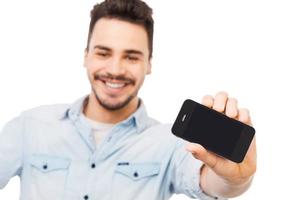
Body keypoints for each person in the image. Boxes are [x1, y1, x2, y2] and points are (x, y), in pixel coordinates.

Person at [0, 0, 256, 199]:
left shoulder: (171, 143)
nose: (115, 69)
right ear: (86, 56)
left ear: (149, 64)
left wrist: (235, 179)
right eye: (103, 53)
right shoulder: (30, 126)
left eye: (131, 57)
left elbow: (210, 182)